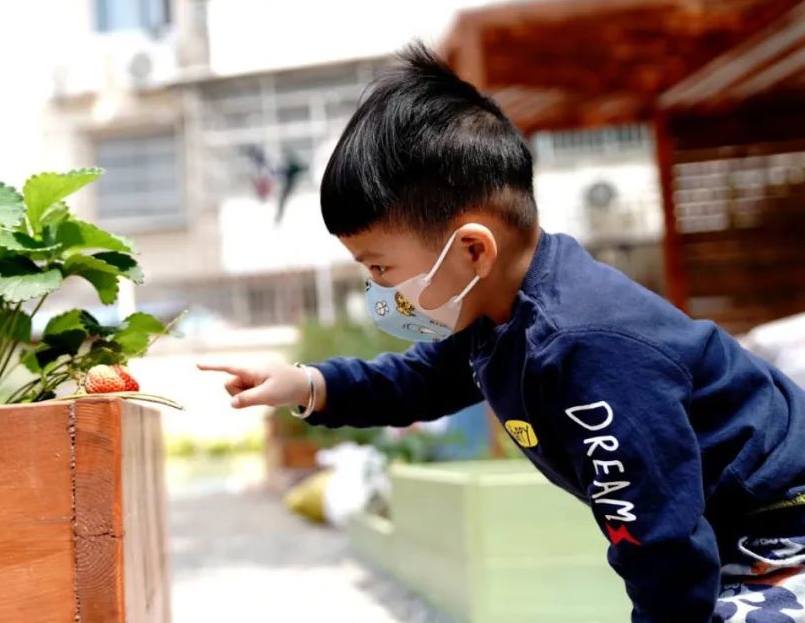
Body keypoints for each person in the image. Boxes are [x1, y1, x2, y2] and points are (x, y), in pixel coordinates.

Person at [199, 42, 805, 622]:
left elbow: (660, 544)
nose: (379, 290)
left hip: (782, 524)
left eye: (380, 267)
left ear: (472, 249)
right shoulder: (498, 315)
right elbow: (420, 380)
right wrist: (310, 384)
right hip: (725, 534)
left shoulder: (585, 347)